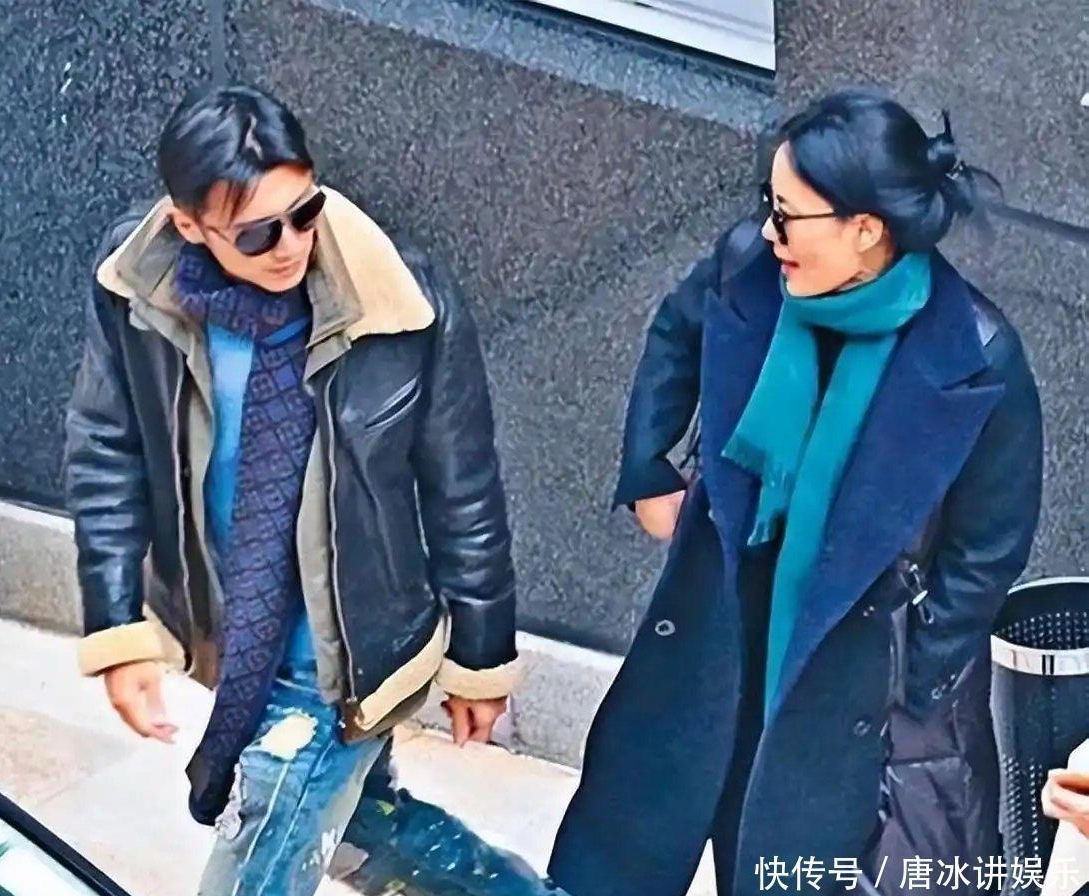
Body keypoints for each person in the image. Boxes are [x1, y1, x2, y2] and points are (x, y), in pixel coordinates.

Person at [548, 90, 1043, 896]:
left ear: (865, 229)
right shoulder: (750, 265)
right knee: (648, 834)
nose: (769, 231)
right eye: (768, 206)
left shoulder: (978, 355)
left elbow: (991, 545)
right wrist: (648, 470)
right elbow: (675, 334)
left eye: (788, 216)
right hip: (724, 623)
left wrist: (913, 667)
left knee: (780, 857)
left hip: (844, 669)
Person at [64, 84, 540, 896]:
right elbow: (106, 449)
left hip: (347, 658)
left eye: (305, 211)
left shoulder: (400, 302)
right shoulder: (138, 289)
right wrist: (119, 626)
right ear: (189, 226)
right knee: (364, 828)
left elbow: (464, 490)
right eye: (257, 232)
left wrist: (481, 655)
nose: (289, 245)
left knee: (260, 857)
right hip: (232, 636)